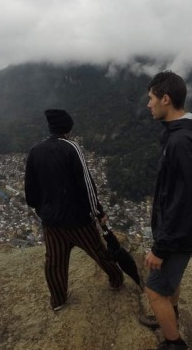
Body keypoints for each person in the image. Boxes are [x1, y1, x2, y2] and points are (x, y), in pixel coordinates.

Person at [140, 71, 192, 350]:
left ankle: (174, 343)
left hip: (179, 232)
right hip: (185, 229)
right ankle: (170, 315)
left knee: (154, 289)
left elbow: (182, 200)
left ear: (166, 99)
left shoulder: (180, 141)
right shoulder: (183, 131)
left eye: (151, 99)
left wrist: (161, 247)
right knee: (170, 283)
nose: (148, 105)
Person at [24, 109, 124, 311]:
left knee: (54, 260)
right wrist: (98, 211)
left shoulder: (36, 150)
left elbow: (30, 186)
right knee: (98, 251)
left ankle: (58, 300)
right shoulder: (72, 148)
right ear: (68, 128)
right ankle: (116, 279)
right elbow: (86, 185)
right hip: (76, 219)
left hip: (51, 221)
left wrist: (40, 210)